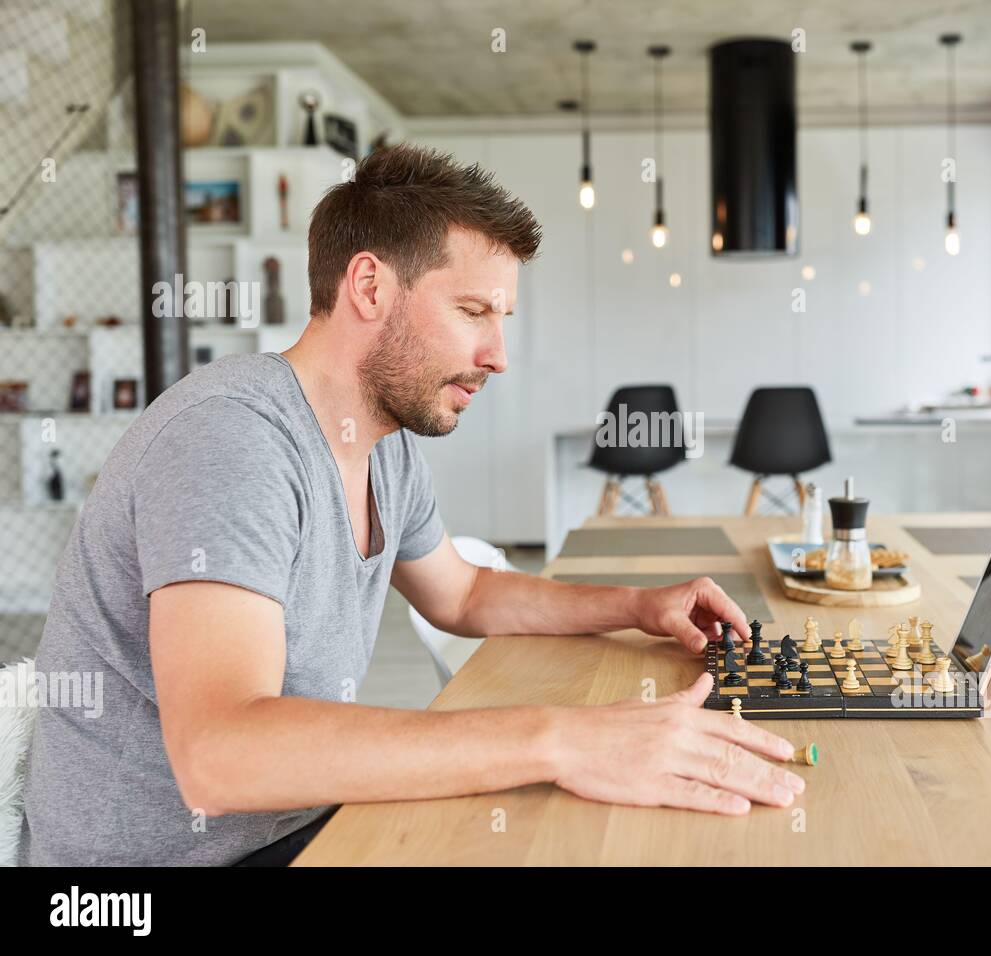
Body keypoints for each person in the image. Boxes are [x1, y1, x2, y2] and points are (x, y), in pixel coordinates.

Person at [18, 145, 802, 866]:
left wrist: (638, 605)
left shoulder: (383, 442)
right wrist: (564, 738)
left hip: (301, 825)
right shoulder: (231, 439)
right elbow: (221, 755)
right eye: (473, 312)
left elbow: (462, 593)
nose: (497, 354)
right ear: (369, 286)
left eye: (503, 319)